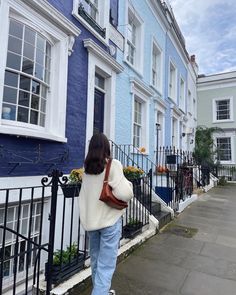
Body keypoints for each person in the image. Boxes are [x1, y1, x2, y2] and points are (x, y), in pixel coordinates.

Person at [79, 133, 134, 295]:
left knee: (96, 261)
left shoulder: (86, 168)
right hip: (109, 221)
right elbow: (125, 194)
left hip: (91, 222)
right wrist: (128, 184)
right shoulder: (112, 164)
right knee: (106, 265)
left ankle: (101, 290)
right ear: (106, 147)